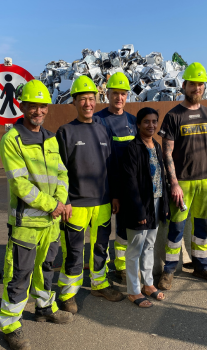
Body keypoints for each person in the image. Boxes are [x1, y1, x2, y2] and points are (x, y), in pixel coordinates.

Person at [0, 79, 73, 350]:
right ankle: (10, 325)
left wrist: (62, 201)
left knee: (46, 269)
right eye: (33, 106)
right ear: (22, 106)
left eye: (42, 106)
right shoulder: (12, 140)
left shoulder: (51, 138)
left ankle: (44, 309)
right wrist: (51, 205)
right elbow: (20, 185)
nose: (38, 111)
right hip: (27, 222)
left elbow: (62, 173)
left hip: (51, 222)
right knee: (19, 274)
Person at [56, 75, 124, 315]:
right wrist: (63, 202)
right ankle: (68, 293)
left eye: (91, 99)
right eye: (83, 99)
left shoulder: (103, 130)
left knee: (101, 247)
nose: (88, 103)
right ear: (74, 102)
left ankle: (99, 284)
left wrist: (114, 195)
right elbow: (58, 171)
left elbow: (111, 167)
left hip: (103, 202)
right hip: (76, 205)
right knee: (73, 251)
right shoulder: (65, 132)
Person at [157, 62, 207, 290]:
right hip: (182, 183)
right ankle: (168, 271)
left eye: (201, 84)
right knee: (176, 227)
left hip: (205, 182)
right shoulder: (174, 116)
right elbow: (167, 152)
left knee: (202, 227)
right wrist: (173, 183)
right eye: (193, 83)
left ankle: (201, 266)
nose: (197, 88)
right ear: (184, 85)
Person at [121, 107, 169, 308]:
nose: (151, 125)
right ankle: (133, 290)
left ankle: (148, 284)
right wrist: (139, 210)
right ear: (138, 124)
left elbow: (161, 178)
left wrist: (164, 205)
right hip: (139, 206)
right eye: (146, 121)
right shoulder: (132, 148)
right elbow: (130, 183)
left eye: (154, 121)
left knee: (149, 245)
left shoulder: (156, 146)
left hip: (155, 203)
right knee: (135, 249)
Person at [93, 72, 137, 281]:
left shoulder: (133, 121)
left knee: (123, 228)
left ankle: (120, 267)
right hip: (102, 186)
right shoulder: (98, 120)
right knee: (100, 232)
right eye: (115, 93)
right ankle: (99, 272)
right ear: (107, 94)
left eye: (123, 94)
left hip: (126, 186)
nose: (119, 98)